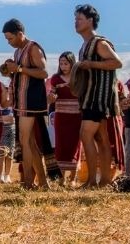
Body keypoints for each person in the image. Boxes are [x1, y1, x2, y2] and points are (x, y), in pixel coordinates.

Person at [2, 18, 59, 188]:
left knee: (25, 140)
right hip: (21, 100)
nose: (9, 42)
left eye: (10, 38)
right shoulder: (18, 52)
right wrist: (12, 71)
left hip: (32, 100)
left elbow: (44, 72)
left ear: (20, 34)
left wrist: (18, 69)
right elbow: (20, 73)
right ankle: (41, 181)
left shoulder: (33, 48)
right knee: (30, 142)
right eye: (7, 39)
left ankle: (28, 181)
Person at [73, 4, 122, 188]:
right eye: (75, 19)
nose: (76, 22)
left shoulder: (99, 43)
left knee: (85, 135)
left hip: (98, 98)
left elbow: (117, 63)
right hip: (90, 97)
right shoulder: (84, 45)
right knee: (101, 139)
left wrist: (91, 65)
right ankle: (105, 180)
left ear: (90, 21)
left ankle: (92, 180)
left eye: (80, 18)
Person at [48, 51, 81, 183]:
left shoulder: (78, 77)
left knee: (75, 145)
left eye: (66, 63)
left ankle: (73, 178)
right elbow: (52, 94)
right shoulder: (56, 78)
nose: (63, 66)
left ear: (72, 63)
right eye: (61, 63)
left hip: (77, 116)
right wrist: (51, 97)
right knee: (61, 145)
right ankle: (61, 178)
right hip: (61, 116)